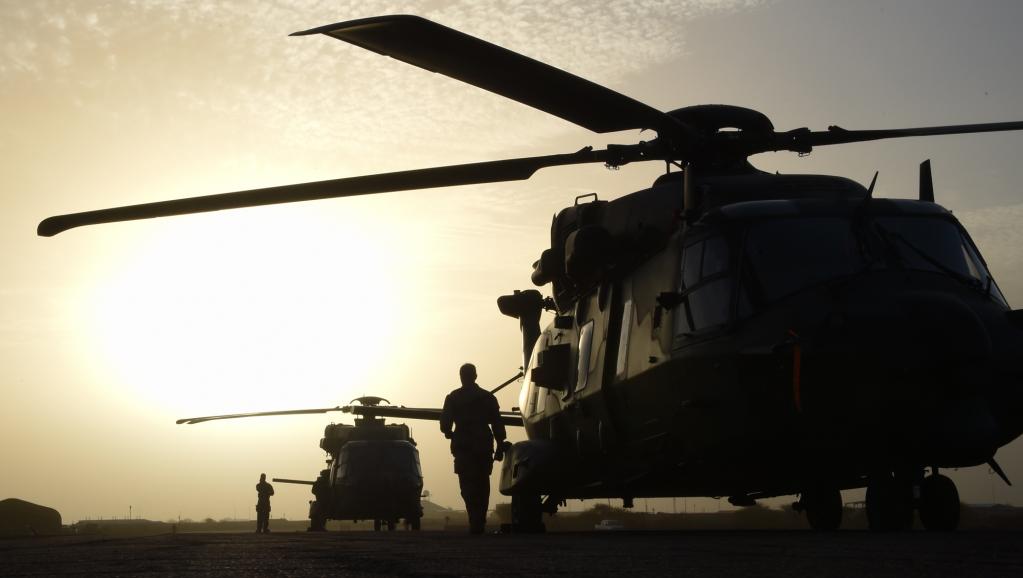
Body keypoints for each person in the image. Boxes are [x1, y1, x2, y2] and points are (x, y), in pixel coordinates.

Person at [440, 363, 507, 534]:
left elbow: (445, 424)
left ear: (461, 376)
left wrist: (449, 433)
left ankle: (474, 517)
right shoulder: (488, 398)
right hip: (483, 446)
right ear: (475, 376)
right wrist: (500, 445)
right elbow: (498, 424)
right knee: (482, 484)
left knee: (467, 485)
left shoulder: (453, 398)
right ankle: (479, 519)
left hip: (463, 446)